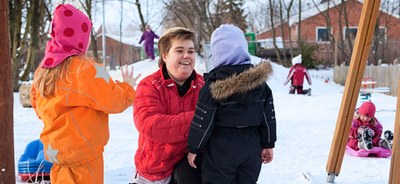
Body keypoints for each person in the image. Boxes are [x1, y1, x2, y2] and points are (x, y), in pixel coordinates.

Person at [30, 4, 140, 183]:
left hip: (56, 154)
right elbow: (113, 100)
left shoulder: (43, 70)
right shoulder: (87, 68)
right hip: (84, 156)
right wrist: (127, 87)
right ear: (79, 37)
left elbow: (38, 106)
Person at [187, 24, 277, 183]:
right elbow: (268, 117)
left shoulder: (213, 87)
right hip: (252, 147)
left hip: (221, 149)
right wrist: (268, 144)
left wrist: (194, 148)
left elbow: (203, 122)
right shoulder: (261, 85)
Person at [132, 27, 204, 184]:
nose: (187, 56)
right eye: (179, 50)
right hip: (157, 171)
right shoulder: (149, 85)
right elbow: (151, 126)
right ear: (165, 55)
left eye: (191, 51)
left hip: (189, 164)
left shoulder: (203, 86)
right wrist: (200, 118)